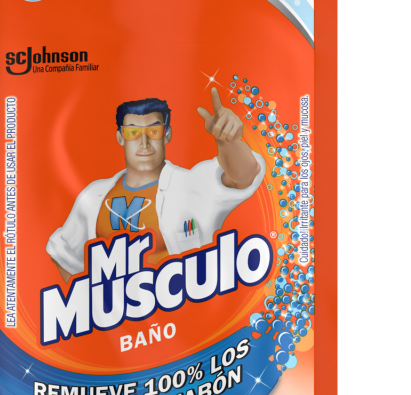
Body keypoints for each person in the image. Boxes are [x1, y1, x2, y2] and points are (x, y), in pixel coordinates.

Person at [47, 87, 266, 281]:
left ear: (167, 134)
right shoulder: (93, 197)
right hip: (119, 314)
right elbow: (63, 253)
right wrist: (93, 307)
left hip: (182, 311)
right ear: (120, 137)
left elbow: (243, 177)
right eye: (133, 132)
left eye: (154, 131)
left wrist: (229, 144)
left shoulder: (193, 184)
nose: (144, 143)